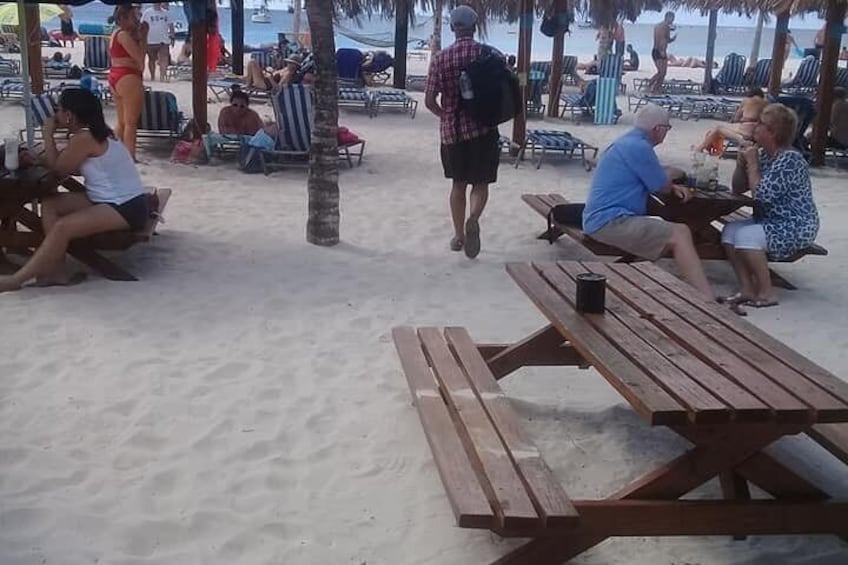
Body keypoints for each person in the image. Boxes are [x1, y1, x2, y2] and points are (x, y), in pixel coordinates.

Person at [0, 89, 148, 293]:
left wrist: (47, 134)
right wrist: (39, 159)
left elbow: (59, 169)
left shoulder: (84, 138)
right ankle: (56, 271)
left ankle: (16, 280)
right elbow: (71, 166)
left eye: (59, 110)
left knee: (63, 227)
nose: (57, 115)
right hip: (113, 199)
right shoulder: (100, 132)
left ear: (69, 115)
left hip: (126, 206)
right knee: (51, 204)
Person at [582, 104, 713, 298]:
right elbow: (661, 186)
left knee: (667, 229)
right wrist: (675, 179)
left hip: (599, 217)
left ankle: (628, 278)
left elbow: (654, 177)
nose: (666, 133)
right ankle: (707, 297)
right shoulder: (639, 147)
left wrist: (668, 179)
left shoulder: (627, 142)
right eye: (667, 128)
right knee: (680, 232)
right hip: (609, 221)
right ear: (658, 129)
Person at [723, 103, 819, 308]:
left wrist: (753, 164)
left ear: (772, 133)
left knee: (745, 236)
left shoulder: (790, 160)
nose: (755, 127)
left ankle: (767, 293)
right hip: (769, 220)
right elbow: (738, 188)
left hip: (795, 225)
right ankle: (747, 288)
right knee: (730, 231)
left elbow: (762, 196)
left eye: (761, 124)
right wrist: (743, 163)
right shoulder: (765, 155)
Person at [424, 6, 501, 259]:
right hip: (484, 129)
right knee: (480, 182)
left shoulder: (440, 59)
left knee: (458, 184)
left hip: (452, 132)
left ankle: (459, 236)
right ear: (475, 27)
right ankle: (474, 218)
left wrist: (444, 115)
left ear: (452, 27)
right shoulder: (487, 53)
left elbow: (429, 100)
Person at [108, 4, 147, 162]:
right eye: (134, 17)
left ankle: (116, 153)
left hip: (115, 76)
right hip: (128, 77)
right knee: (131, 122)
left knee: (122, 121)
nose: (136, 20)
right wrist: (143, 38)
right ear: (123, 18)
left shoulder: (115, 34)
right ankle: (129, 157)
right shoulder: (124, 35)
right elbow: (140, 60)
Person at [696, 88, 767, 154]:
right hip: (757, 135)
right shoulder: (766, 103)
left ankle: (700, 148)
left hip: (745, 134)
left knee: (718, 129)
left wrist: (742, 118)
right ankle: (742, 140)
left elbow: (736, 119)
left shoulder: (746, 101)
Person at [142, 3, 174, 82]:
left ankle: (162, 77)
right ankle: (153, 76)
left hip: (164, 40)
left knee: (164, 58)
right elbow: (143, 25)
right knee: (151, 59)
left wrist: (172, 37)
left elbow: (171, 26)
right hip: (150, 40)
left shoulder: (166, 13)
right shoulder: (147, 12)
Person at [649, 11, 676, 93]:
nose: (673, 20)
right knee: (662, 73)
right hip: (661, 51)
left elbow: (659, 38)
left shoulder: (657, 26)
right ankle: (654, 87)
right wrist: (673, 39)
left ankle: (653, 86)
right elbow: (667, 39)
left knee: (661, 73)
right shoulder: (666, 27)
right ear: (668, 17)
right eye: (672, 18)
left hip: (655, 50)